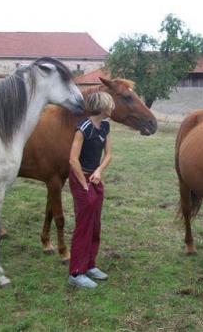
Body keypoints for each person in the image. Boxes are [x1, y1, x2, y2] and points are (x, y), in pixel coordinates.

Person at [68, 91, 115, 289]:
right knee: (84, 225)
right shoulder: (83, 128)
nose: (113, 108)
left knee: (95, 223)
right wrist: (85, 183)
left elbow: (109, 154)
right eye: (110, 105)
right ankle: (76, 273)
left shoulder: (105, 126)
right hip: (81, 178)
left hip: (95, 178)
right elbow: (72, 159)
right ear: (102, 107)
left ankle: (90, 265)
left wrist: (99, 171)